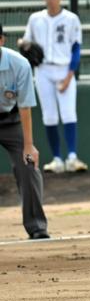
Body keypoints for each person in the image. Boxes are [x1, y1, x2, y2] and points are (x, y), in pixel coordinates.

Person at [20, 0, 88, 174]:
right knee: (49, 116)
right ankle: (57, 159)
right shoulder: (35, 19)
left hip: (64, 68)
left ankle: (72, 158)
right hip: (43, 70)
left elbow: (76, 48)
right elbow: (26, 41)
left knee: (68, 113)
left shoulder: (71, 19)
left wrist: (69, 75)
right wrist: (23, 44)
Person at [0, 23, 49, 240]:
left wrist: (29, 145)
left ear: (1, 41)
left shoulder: (19, 65)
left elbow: (25, 107)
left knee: (28, 163)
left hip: (10, 120)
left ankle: (37, 226)